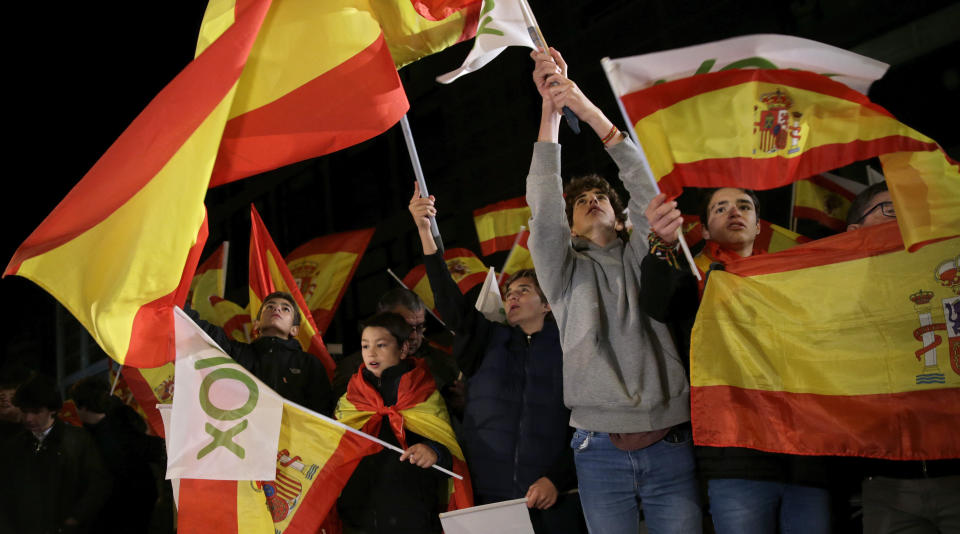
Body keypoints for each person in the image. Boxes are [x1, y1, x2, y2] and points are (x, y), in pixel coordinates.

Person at [525, 48, 701, 534]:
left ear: (620, 214)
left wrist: (586, 109)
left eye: (600, 196)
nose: (592, 201)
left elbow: (644, 183)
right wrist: (549, 115)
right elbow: (543, 206)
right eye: (580, 201)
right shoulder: (562, 272)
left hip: (670, 438)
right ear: (572, 227)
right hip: (596, 445)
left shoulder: (644, 251)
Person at [642, 187, 833, 533]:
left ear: (759, 226)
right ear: (703, 230)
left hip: (805, 454)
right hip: (736, 457)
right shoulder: (694, 279)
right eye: (720, 209)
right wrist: (663, 245)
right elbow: (659, 303)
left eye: (744, 206)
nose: (734, 212)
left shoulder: (795, 278)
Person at [409, 184, 585, 533]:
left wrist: (557, 478)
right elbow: (449, 300)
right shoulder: (488, 339)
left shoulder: (573, 349)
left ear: (548, 303)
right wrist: (426, 232)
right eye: (508, 293)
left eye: (524, 290)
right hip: (490, 499)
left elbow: (587, 426)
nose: (513, 297)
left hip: (555, 497)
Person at [846, 181, 960, 534]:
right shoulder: (833, 300)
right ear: (854, 232)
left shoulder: (946, 281)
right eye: (891, 210)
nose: (905, 218)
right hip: (885, 485)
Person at [336, 312, 463, 534]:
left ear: (403, 349)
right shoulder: (350, 399)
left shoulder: (424, 394)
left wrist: (434, 452)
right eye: (365, 346)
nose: (371, 353)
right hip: (358, 519)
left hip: (412, 517)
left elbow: (451, 453)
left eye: (381, 345)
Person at [187, 291, 334, 415]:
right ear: (256, 324)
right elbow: (201, 330)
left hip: (293, 445)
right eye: (270, 307)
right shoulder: (237, 354)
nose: (276, 309)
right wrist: (174, 300)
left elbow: (321, 413)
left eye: (285, 309)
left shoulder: (309, 363)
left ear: (294, 329)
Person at [0, 375, 111, 534]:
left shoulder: (77, 440)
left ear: (52, 410)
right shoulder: (13, 446)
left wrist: (75, 519)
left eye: (36, 412)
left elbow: (97, 485)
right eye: (25, 411)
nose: (29, 418)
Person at [332, 289, 462, 417]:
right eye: (405, 326)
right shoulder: (351, 370)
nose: (414, 336)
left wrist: (463, 406)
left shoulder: (445, 364)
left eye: (419, 327)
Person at [70, 377, 166, 534]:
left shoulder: (92, 440)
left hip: (119, 514)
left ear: (83, 406)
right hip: (139, 508)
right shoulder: (122, 427)